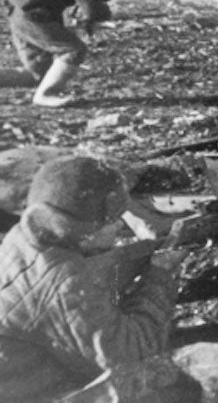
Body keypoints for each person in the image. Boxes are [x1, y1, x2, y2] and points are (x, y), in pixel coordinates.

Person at [0, 155, 183, 402]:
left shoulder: (25, 237)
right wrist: (162, 274)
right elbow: (135, 354)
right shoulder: (66, 288)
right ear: (81, 232)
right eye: (111, 221)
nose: (119, 225)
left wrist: (145, 249)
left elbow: (80, 276)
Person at [7, 0, 117, 107]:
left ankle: (41, 88)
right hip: (34, 17)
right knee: (73, 50)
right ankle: (45, 95)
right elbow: (91, 8)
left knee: (39, 72)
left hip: (21, 14)